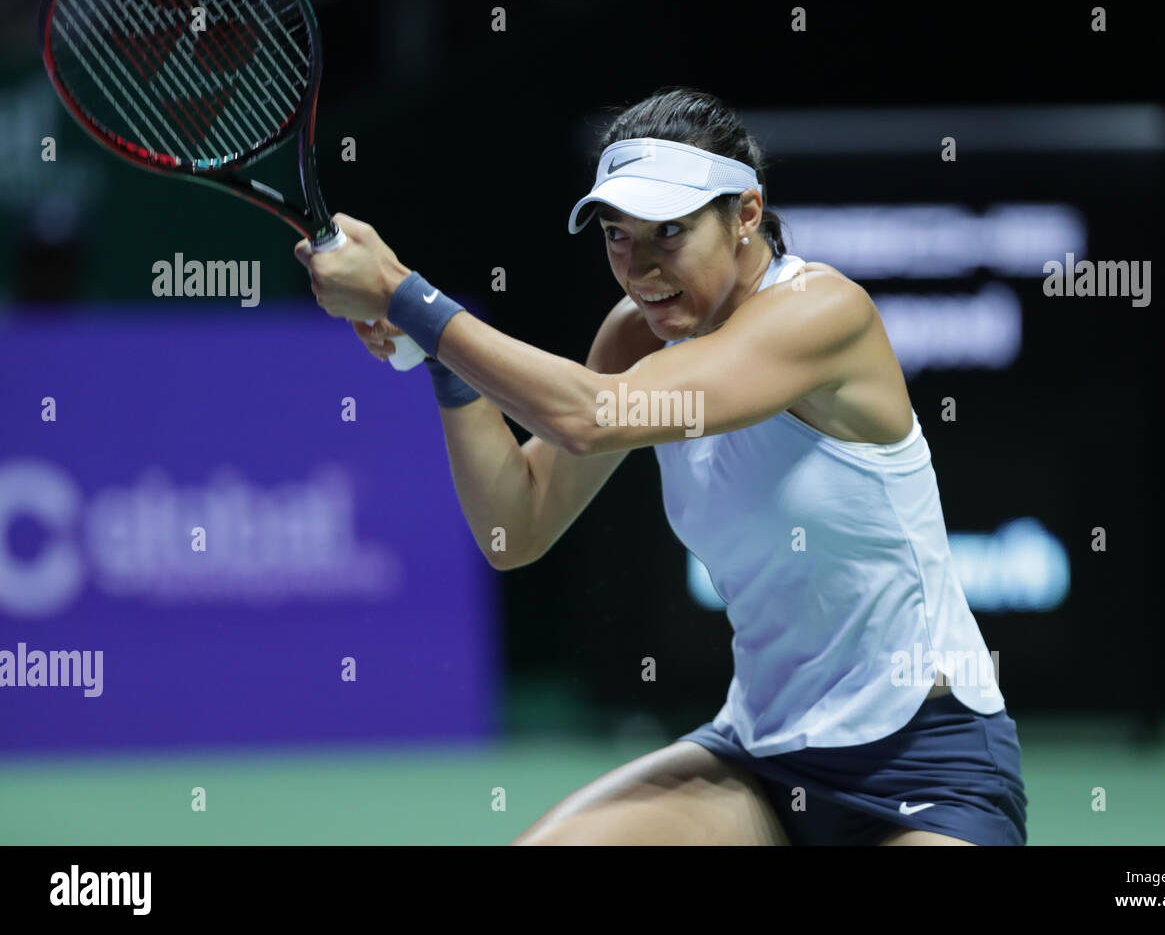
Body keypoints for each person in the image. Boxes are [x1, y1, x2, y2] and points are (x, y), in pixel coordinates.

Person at [295, 87, 1028, 846]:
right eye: (617, 236)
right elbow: (517, 527)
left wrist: (407, 299)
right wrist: (445, 366)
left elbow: (590, 416)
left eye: (669, 233)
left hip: (928, 769)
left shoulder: (824, 313)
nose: (640, 268)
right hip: (760, 759)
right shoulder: (636, 336)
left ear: (746, 214)